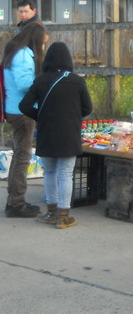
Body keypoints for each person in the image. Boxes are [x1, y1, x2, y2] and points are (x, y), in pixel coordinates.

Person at [20, 42, 93, 228]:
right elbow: (88, 108)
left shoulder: (40, 80)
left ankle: (51, 212)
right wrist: (73, 117)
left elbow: (24, 106)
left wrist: (41, 117)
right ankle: (63, 216)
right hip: (69, 133)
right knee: (65, 174)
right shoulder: (77, 81)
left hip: (47, 132)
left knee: (50, 172)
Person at [3, 23, 48, 217]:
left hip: (15, 109)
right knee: (23, 157)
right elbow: (24, 84)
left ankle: (14, 200)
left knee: (19, 154)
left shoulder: (16, 52)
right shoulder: (23, 55)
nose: (44, 48)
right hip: (23, 112)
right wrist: (43, 83)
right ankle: (16, 204)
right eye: (43, 44)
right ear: (36, 40)